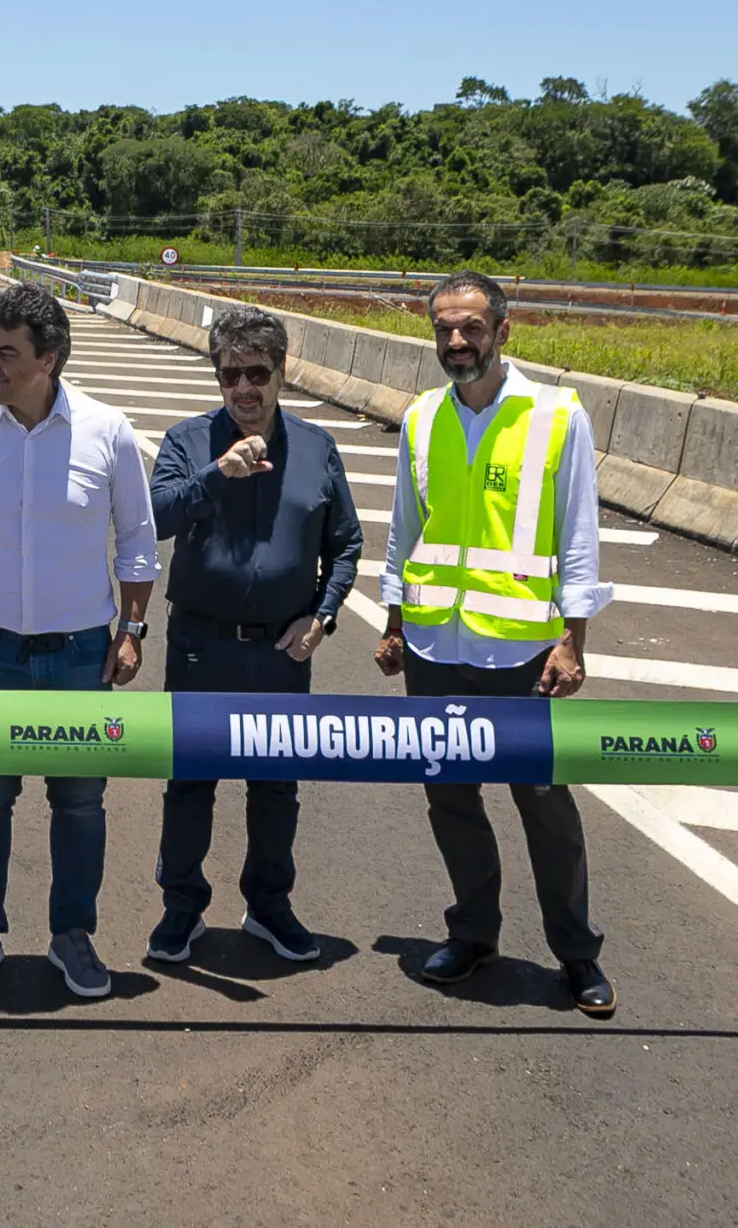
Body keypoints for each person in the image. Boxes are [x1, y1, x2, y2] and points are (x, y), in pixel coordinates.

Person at [375, 269, 617, 1019]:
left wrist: (572, 641)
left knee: (543, 802)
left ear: (503, 331)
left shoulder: (554, 417)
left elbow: (579, 538)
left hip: (519, 652)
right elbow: (404, 529)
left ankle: (576, 954)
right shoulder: (421, 418)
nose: (456, 341)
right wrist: (391, 621)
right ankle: (473, 932)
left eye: (471, 328)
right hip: (434, 646)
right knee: (450, 797)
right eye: (444, 329)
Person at [0, 282, 158, 999]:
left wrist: (131, 631)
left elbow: (138, 541)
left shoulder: (107, 431)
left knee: (80, 802)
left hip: (81, 651)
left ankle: (72, 935)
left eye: (6, 353)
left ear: (48, 359)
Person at [146, 305, 363, 967]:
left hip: (279, 649)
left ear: (281, 372)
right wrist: (218, 474)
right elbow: (153, 517)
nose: (243, 388)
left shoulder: (317, 447)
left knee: (275, 784)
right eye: (229, 374)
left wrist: (322, 614)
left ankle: (269, 904)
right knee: (190, 781)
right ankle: (182, 908)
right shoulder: (189, 440)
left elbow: (347, 544)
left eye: (257, 373)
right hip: (199, 643)